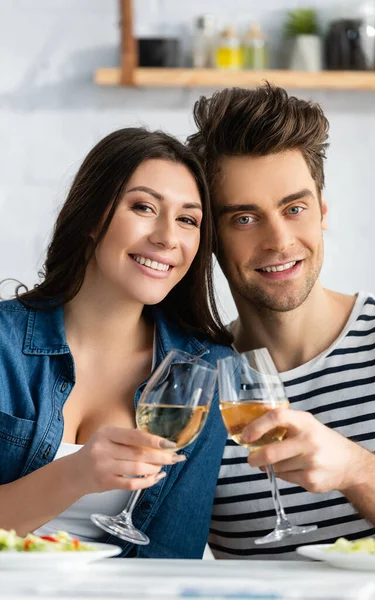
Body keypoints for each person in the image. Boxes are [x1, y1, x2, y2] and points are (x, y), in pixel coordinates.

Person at [188, 83, 375, 559]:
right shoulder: (197, 387)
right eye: (245, 218)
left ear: (322, 210)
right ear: (211, 238)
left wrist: (355, 470)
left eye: (294, 208)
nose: (279, 240)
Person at [0, 127, 233, 559]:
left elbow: (170, 557)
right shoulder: (3, 344)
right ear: (91, 217)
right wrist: (75, 474)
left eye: (188, 219)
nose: (167, 237)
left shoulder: (208, 372)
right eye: (144, 207)